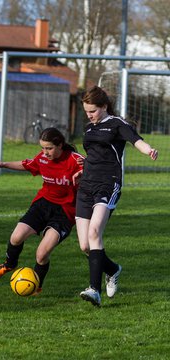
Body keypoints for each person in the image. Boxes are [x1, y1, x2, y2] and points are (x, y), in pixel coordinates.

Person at [73, 85, 158, 306]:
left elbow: (136, 140)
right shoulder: (90, 129)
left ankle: (94, 290)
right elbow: (95, 155)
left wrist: (148, 150)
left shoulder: (117, 124)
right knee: (84, 245)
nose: (89, 115)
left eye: (92, 111)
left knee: (94, 233)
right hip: (86, 187)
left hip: (108, 185)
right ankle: (112, 269)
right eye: (86, 111)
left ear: (103, 106)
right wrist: (82, 169)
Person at [0, 127, 85, 294]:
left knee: (41, 254)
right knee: (16, 236)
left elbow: (96, 171)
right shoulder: (42, 158)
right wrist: (3, 164)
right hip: (43, 204)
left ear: (60, 145)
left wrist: (86, 172)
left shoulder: (76, 160)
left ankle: (35, 285)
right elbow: (27, 165)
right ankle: (10, 264)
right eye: (42, 148)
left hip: (65, 212)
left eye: (49, 148)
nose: (45, 152)